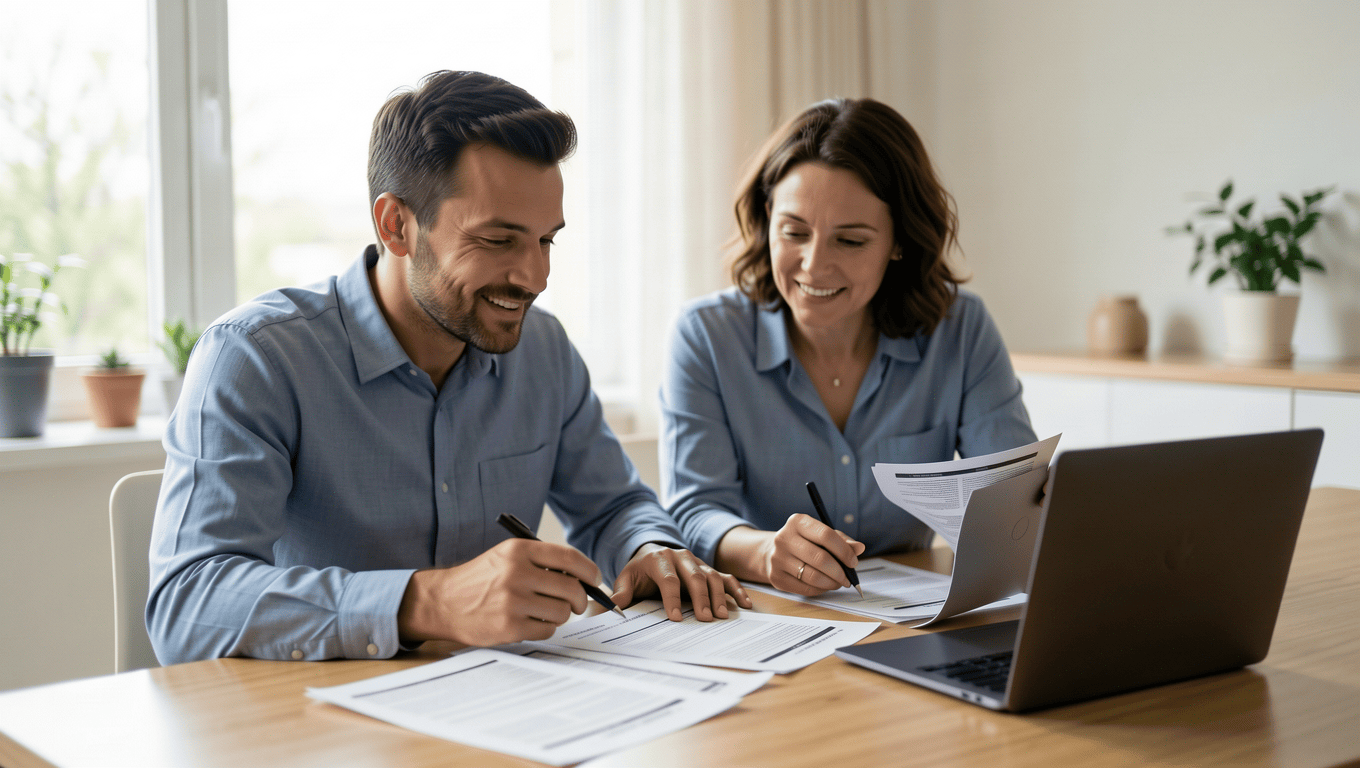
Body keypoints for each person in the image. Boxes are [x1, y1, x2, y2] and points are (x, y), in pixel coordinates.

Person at [148, 70, 749, 665]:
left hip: (506, 702)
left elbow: (614, 507)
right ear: (397, 225)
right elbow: (186, 602)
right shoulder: (255, 358)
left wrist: (649, 548)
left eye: (546, 241)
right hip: (316, 715)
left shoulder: (544, 351)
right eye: (498, 240)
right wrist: (428, 602)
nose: (535, 277)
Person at [661, 97, 1036, 599]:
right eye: (794, 232)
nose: (814, 265)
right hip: (770, 615)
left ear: (898, 242)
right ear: (767, 218)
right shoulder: (706, 337)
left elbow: (1015, 502)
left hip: (911, 618)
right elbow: (694, 511)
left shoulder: (960, 330)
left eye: (851, 241)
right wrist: (766, 551)